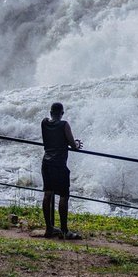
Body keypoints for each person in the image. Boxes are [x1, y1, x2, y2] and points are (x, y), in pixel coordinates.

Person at [40, 101, 82, 239]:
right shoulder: (64, 124)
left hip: (46, 162)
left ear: (51, 113)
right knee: (63, 196)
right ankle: (64, 230)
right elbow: (73, 145)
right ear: (62, 113)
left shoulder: (44, 123)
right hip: (59, 164)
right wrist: (76, 143)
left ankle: (49, 229)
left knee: (48, 194)